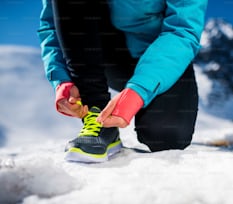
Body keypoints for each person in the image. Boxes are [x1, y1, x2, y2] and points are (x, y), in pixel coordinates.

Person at [38, 0, 207, 163]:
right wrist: (62, 80)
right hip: (101, 57)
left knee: (166, 134)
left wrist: (140, 90)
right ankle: (99, 119)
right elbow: (52, 23)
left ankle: (146, 95)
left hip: (163, 57)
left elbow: (182, 29)